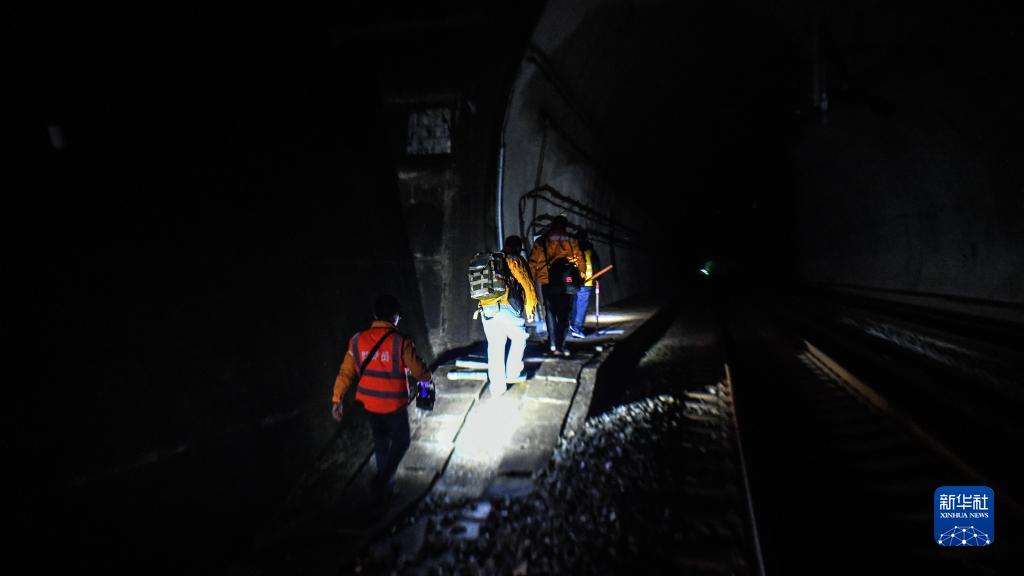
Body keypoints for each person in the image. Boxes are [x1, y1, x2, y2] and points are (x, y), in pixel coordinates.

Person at [331, 294, 432, 497]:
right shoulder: (400, 342)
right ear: (395, 316)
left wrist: (337, 399)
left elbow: (345, 372)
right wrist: (427, 381)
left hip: (369, 405)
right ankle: (383, 479)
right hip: (394, 405)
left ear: (375, 315)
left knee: (381, 441)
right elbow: (419, 372)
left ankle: (386, 485)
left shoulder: (357, 340)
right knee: (402, 441)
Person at [476, 235, 538, 397]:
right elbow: (527, 285)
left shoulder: (490, 260)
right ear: (517, 248)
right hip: (506, 307)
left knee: (495, 347)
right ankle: (513, 372)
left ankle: (497, 388)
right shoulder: (514, 260)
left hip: (487, 308)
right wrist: (531, 309)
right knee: (519, 338)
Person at [528, 215, 584, 356]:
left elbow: (533, 262)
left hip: (547, 281)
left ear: (552, 225)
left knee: (550, 312)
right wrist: (580, 277)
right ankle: (561, 344)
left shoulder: (542, 240)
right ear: (565, 226)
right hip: (567, 282)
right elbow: (580, 260)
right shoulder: (571, 240)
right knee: (564, 314)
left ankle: (552, 343)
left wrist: (530, 281)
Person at [569, 229, 597, 339]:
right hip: (587, 281)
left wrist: (569, 282)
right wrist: (598, 277)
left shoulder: (572, 249)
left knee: (575, 304)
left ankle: (573, 324)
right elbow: (595, 263)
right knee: (582, 306)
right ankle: (577, 328)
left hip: (575, 283)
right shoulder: (589, 249)